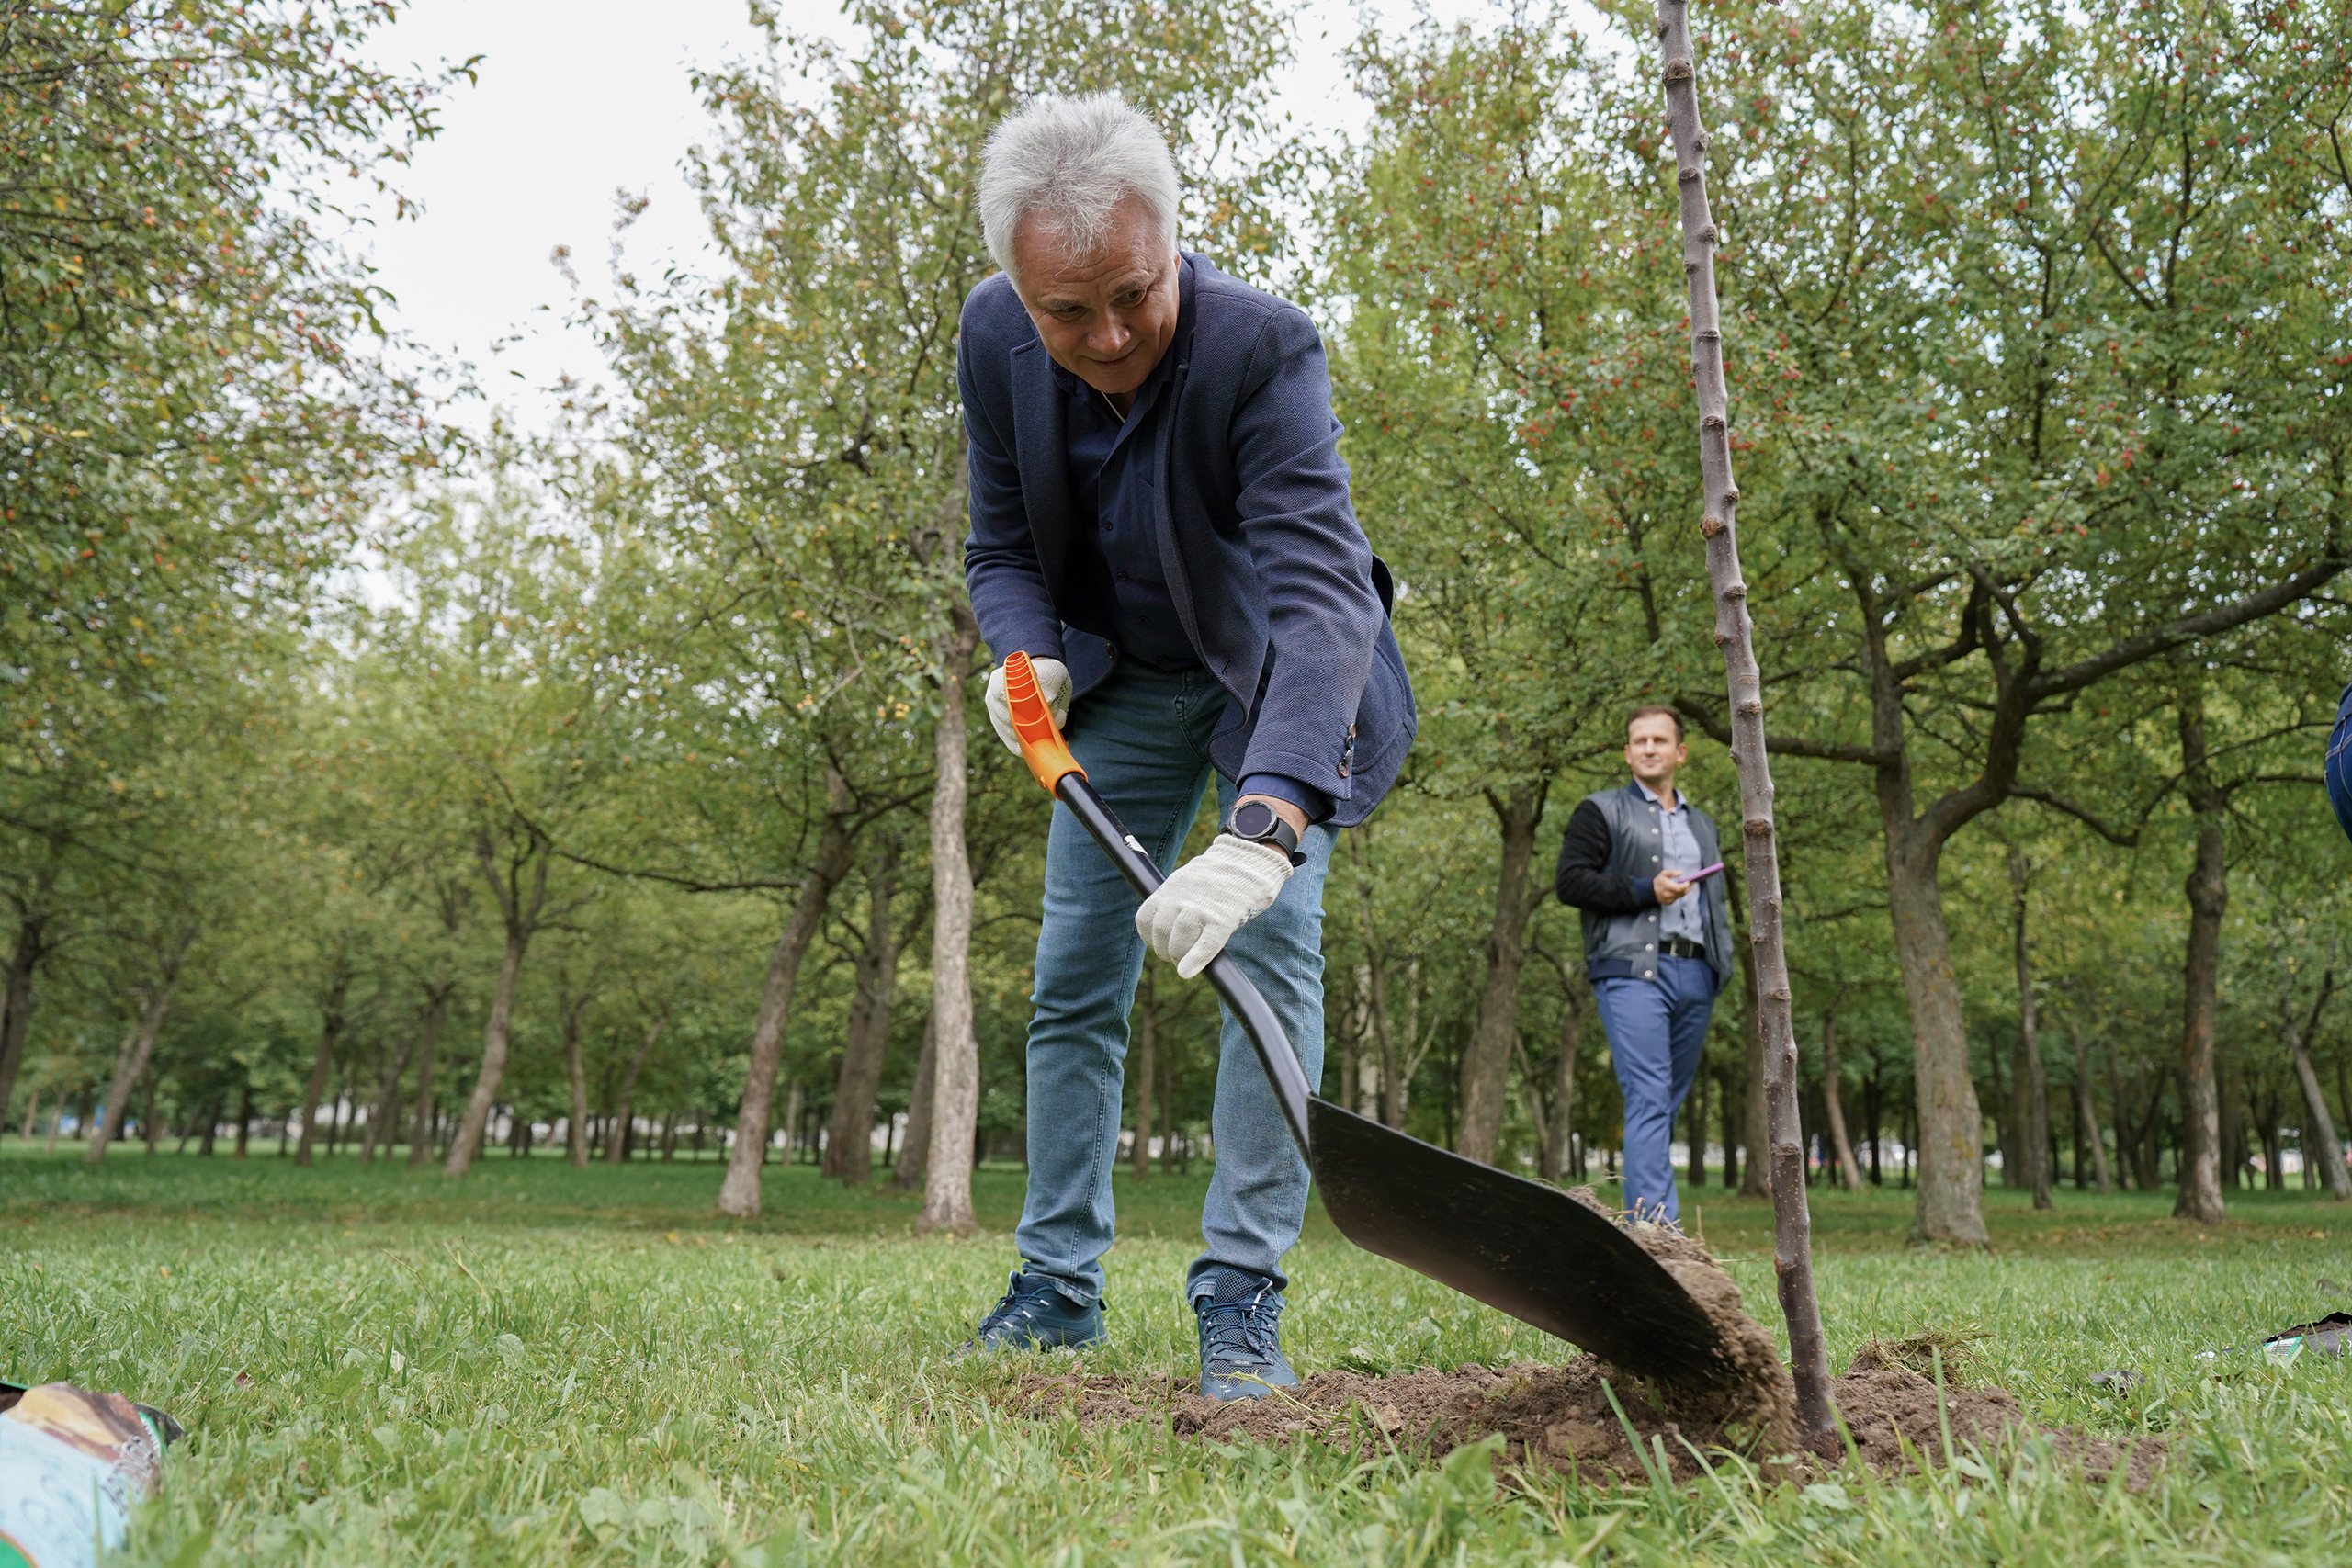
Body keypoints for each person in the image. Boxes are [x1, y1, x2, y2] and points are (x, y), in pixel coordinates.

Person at [956, 93, 1415, 1399]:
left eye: (1134, 295)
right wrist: (1026, 648)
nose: (1108, 337)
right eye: (1067, 311)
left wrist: (1269, 823)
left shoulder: (1263, 350)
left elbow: (1326, 596)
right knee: (1075, 979)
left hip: (1269, 689)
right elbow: (999, 546)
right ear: (1016, 290)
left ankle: (1241, 1293)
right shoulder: (993, 340)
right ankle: (1055, 1285)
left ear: (1175, 245)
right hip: (1112, 690)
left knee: (1267, 959)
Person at [1554, 706, 1733, 1223]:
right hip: (1632, 973)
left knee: (1664, 1102)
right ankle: (1657, 1230)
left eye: (1660, 740)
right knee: (1650, 1095)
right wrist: (1643, 890)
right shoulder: (1600, 810)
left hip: (1698, 972)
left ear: (1680, 752)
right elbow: (1570, 883)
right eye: (1639, 740)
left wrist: (1721, 968)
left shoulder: (1703, 824)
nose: (1650, 747)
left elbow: (1715, 903)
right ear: (1628, 753)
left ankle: (1645, 1221)